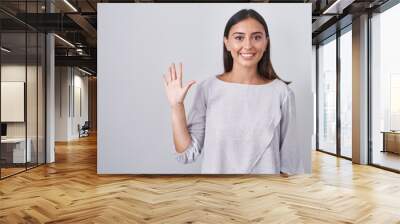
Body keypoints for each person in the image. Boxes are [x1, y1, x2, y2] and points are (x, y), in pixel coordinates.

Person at [162, 9, 304, 175]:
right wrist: (177, 106)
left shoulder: (282, 93)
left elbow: (290, 163)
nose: (248, 45)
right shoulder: (208, 89)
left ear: (266, 43)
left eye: (257, 37)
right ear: (227, 43)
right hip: (217, 196)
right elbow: (187, 153)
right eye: (239, 37)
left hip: (264, 196)